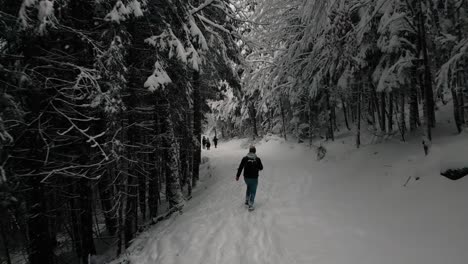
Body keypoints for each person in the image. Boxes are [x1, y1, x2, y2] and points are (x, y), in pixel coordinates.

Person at [236, 146, 263, 211]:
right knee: (253, 190)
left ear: (249, 151)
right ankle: (250, 205)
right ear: (255, 151)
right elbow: (261, 168)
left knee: (248, 187)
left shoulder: (244, 158)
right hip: (254, 178)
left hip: (246, 178)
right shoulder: (257, 159)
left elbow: (240, 167)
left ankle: (247, 200)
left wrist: (237, 176)